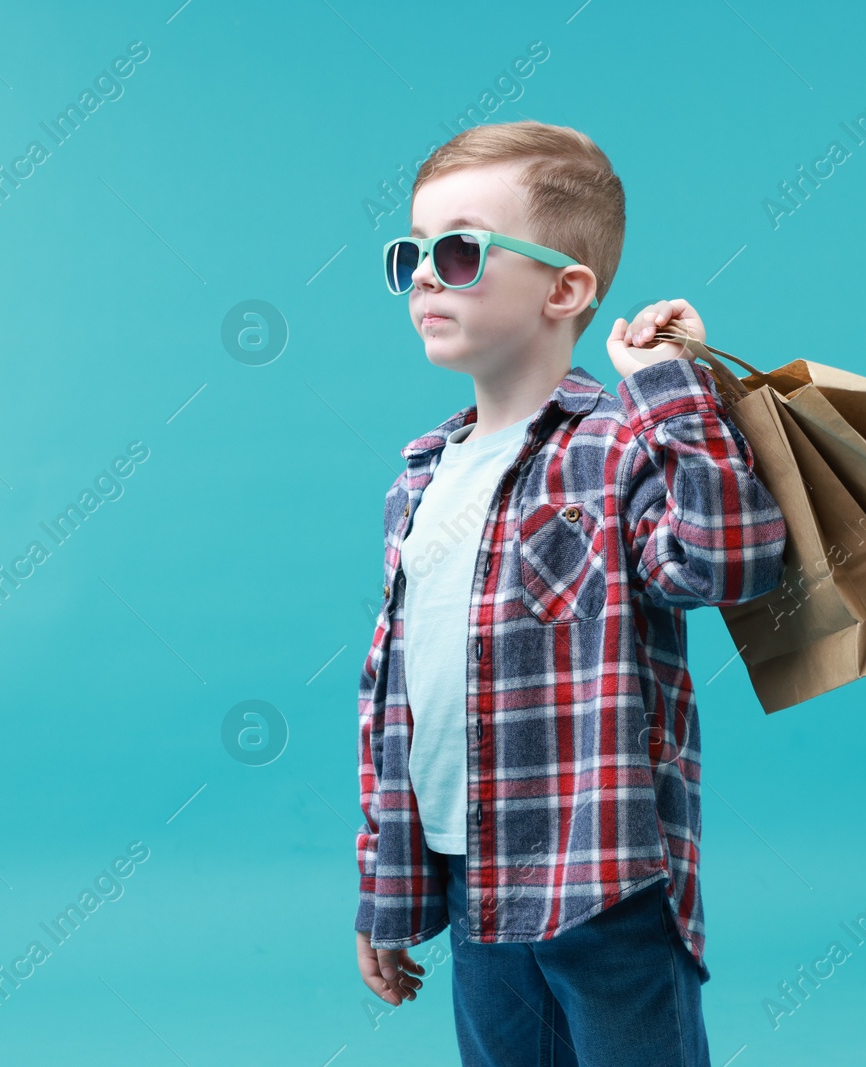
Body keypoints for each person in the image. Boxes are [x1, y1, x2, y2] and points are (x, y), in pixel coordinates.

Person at [353, 119, 787, 1065]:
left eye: (460, 250)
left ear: (565, 287)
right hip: (475, 885)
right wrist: (387, 890)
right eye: (412, 253)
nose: (426, 274)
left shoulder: (621, 445)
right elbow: (396, 701)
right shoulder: (417, 483)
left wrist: (671, 387)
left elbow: (729, 561)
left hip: (603, 878)